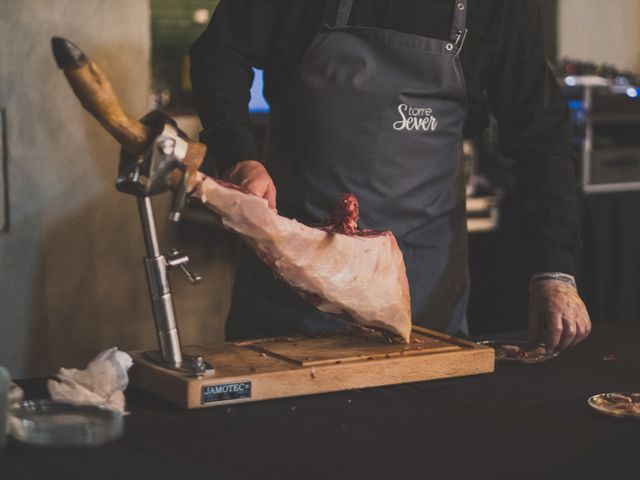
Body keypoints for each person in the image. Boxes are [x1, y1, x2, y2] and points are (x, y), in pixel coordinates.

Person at [189, 0, 591, 349]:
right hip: (290, 298)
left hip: (424, 304)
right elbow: (219, 53)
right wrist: (239, 157)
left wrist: (554, 270)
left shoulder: (500, 7)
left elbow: (542, 135)